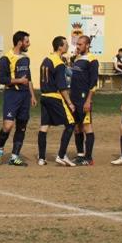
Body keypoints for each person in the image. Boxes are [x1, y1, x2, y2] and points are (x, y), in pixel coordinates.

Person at [0, 31, 36, 167]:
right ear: (19, 42)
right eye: (27, 41)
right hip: (12, 95)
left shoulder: (26, 58)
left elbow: (28, 79)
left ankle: (14, 157)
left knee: (22, 126)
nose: (29, 44)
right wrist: (19, 81)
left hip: (25, 96)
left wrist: (32, 95)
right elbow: (1, 79)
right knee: (8, 126)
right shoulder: (6, 58)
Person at [38, 36, 76, 167]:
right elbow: (62, 86)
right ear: (60, 47)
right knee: (71, 124)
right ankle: (61, 155)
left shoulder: (46, 60)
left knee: (44, 126)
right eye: (65, 44)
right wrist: (70, 103)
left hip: (44, 96)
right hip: (54, 97)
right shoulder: (58, 63)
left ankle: (41, 158)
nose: (67, 46)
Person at [69, 35, 99, 165]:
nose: (77, 46)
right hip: (74, 98)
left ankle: (89, 158)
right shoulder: (77, 58)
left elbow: (93, 82)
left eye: (80, 44)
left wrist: (88, 100)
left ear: (87, 45)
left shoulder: (92, 60)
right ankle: (80, 155)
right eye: (77, 44)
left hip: (84, 98)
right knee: (77, 127)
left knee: (87, 127)